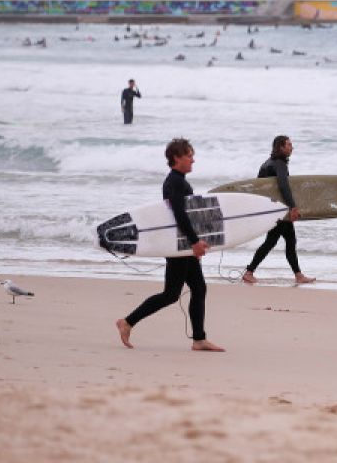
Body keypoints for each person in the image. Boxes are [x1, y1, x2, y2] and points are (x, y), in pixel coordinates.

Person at [116, 138, 224, 351]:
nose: (193, 159)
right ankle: (127, 322)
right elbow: (179, 215)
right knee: (171, 295)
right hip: (179, 247)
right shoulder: (174, 182)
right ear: (177, 158)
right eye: (189, 155)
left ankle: (199, 339)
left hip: (182, 244)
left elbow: (188, 215)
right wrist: (194, 242)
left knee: (199, 288)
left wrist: (195, 241)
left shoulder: (179, 180)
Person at [242, 136, 315, 285]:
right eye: (288, 145)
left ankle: (250, 272)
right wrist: (293, 207)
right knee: (287, 240)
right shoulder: (279, 164)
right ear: (280, 147)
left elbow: (259, 188)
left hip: (271, 209)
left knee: (272, 241)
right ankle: (298, 275)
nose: (291, 147)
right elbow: (283, 185)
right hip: (279, 211)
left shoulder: (266, 164)